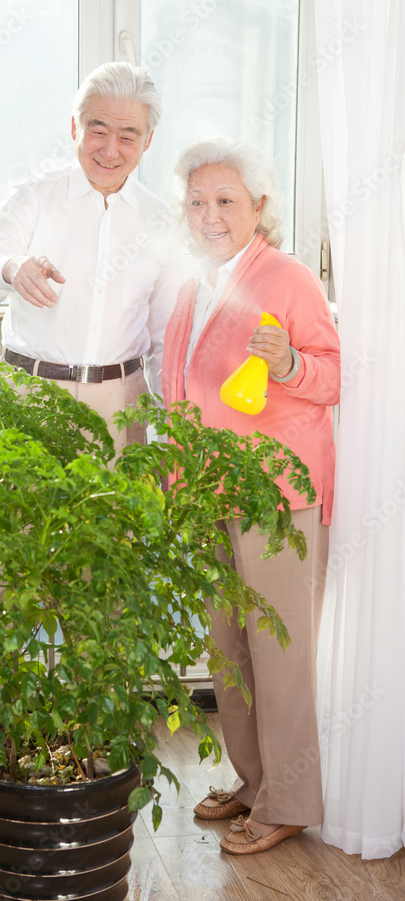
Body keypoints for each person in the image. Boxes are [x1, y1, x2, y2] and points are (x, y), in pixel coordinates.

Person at [162, 137, 340, 855]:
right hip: (208, 487)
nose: (209, 214)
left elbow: (330, 377)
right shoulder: (192, 282)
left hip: (275, 493)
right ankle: (254, 781)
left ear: (259, 207)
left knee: (278, 650)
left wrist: (291, 362)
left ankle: (289, 800)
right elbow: (179, 388)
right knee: (227, 649)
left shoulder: (287, 278)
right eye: (198, 200)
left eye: (225, 200)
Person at [0, 62, 179, 455]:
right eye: (98, 131)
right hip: (33, 396)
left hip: (121, 404)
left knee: (114, 517)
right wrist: (11, 269)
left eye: (128, 136)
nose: (110, 150)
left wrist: (165, 432)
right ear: (75, 128)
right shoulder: (34, 196)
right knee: (24, 516)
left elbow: (165, 339)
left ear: (147, 142)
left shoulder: (161, 219)